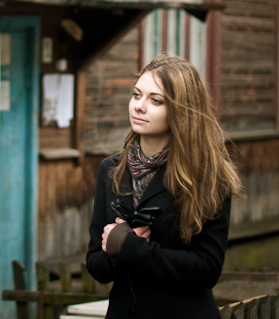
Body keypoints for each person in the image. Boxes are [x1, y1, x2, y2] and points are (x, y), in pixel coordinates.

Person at [86, 54, 242, 319]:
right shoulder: (111, 170)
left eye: (155, 100)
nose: (139, 106)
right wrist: (113, 254)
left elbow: (207, 269)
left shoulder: (207, 176)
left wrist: (132, 250)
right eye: (136, 95)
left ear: (181, 110)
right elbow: (94, 263)